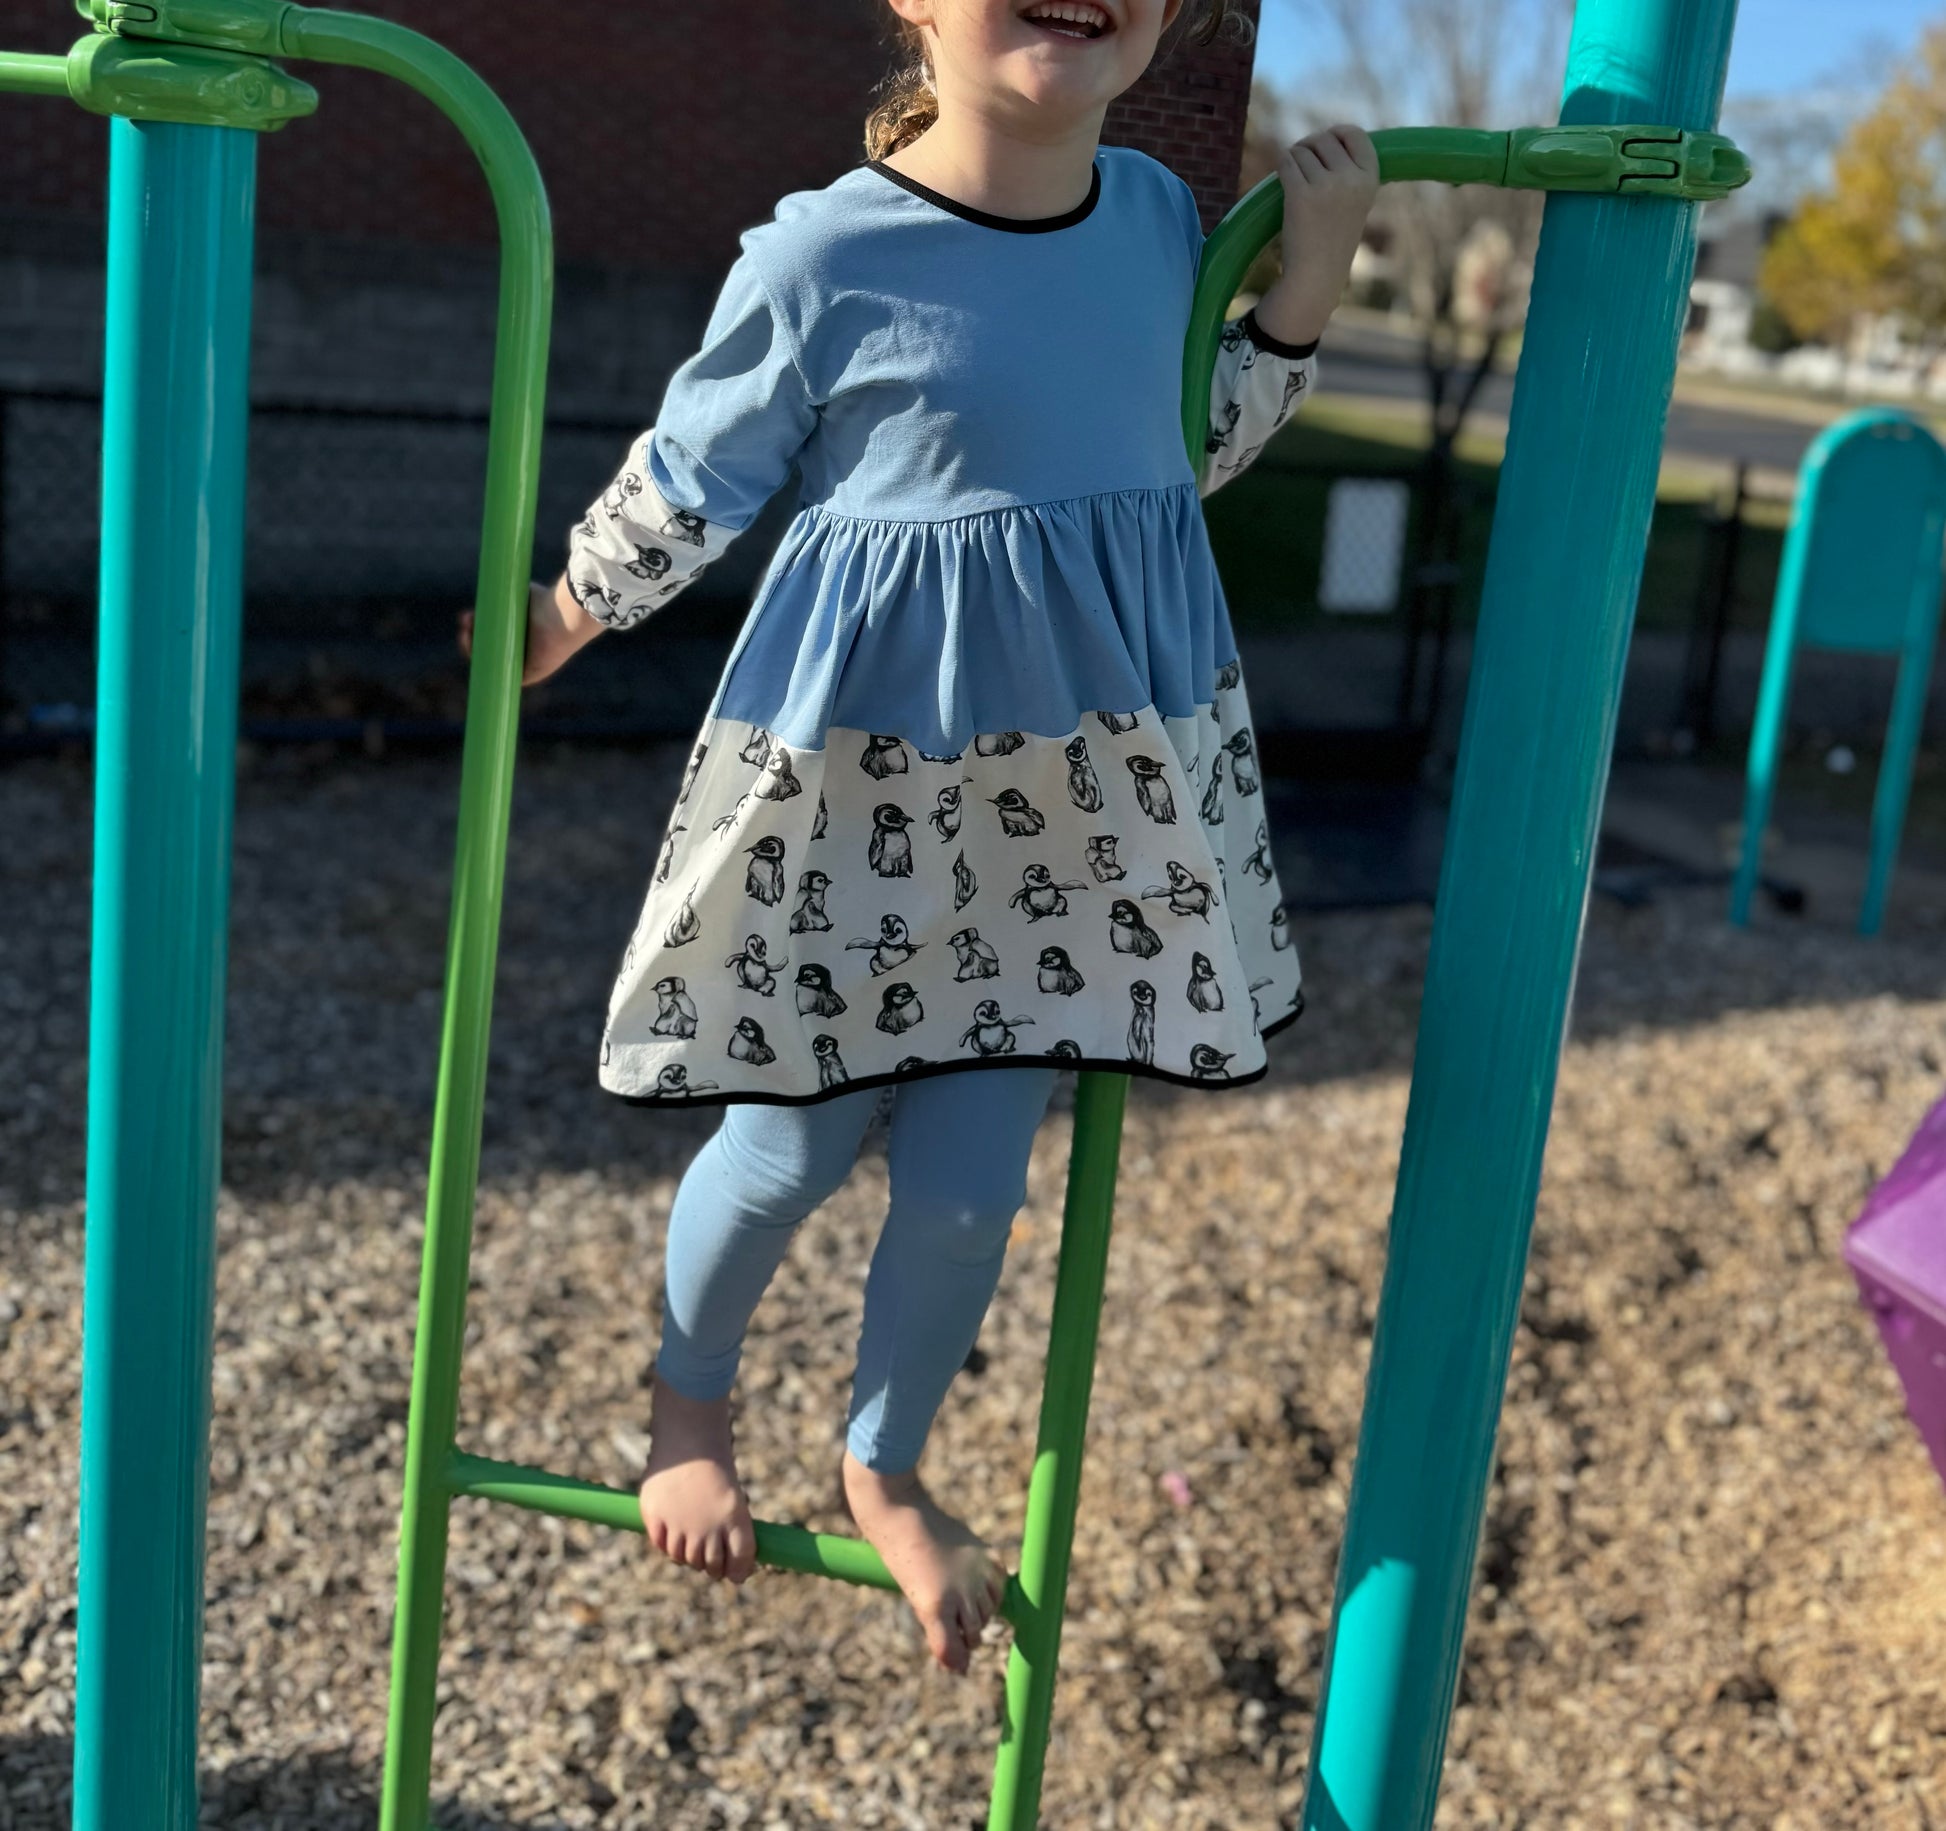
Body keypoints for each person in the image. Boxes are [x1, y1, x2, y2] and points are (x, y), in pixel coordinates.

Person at [459, 0, 1378, 1676]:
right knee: (785, 1150)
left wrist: (1302, 283)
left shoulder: (1158, 220)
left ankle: (884, 1466)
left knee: (968, 1197)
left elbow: (1180, 453)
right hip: (862, 799)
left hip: (1063, 815)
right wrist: (562, 617)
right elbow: (695, 474)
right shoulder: (827, 255)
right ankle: (687, 1400)